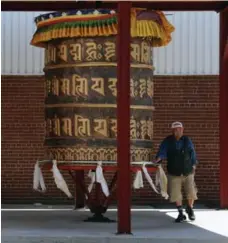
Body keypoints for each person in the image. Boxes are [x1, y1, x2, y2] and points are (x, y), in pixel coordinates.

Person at [155, 121, 198, 223]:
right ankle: (180, 213)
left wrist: (194, 165)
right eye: (176, 129)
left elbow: (192, 152)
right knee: (175, 194)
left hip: (187, 171)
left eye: (180, 129)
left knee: (191, 192)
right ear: (173, 131)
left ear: (182, 130)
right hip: (174, 171)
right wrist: (158, 158)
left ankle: (190, 209)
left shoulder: (187, 140)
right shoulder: (168, 141)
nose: (178, 131)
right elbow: (162, 151)